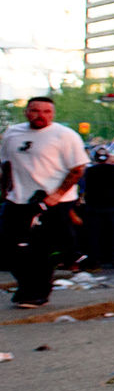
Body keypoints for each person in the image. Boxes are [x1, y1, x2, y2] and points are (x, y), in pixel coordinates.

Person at [0, 96, 88, 308]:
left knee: (41, 248)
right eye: (35, 111)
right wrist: (4, 190)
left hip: (53, 199)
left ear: (53, 114)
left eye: (47, 112)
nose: (41, 116)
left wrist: (57, 194)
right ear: (26, 112)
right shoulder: (12, 133)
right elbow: (6, 164)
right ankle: (26, 286)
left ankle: (36, 293)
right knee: (8, 246)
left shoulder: (65, 135)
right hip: (18, 198)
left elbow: (77, 168)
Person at [81, 147, 114, 268]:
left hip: (94, 205)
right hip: (113, 204)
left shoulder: (89, 171)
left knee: (94, 233)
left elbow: (83, 186)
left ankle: (95, 259)